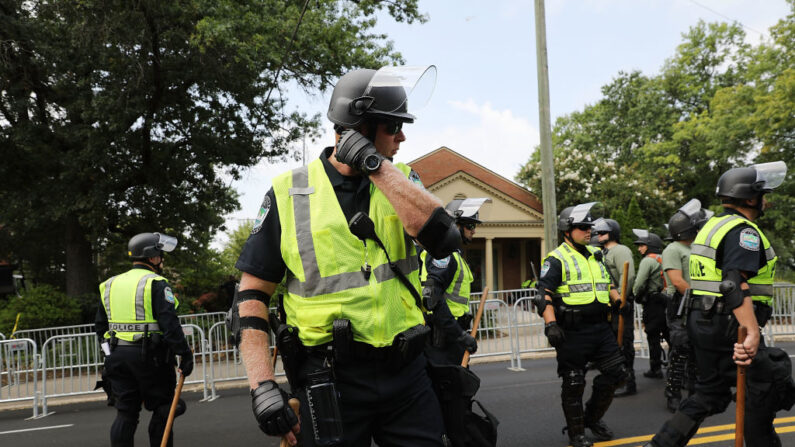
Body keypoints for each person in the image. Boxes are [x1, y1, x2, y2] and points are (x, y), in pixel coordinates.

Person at [232, 66, 462, 447]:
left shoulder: (402, 178)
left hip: (406, 373)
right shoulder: (287, 192)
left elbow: (444, 239)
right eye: (393, 127)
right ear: (359, 127)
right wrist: (261, 384)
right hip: (329, 380)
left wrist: (375, 165)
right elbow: (250, 296)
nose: (402, 136)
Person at [645, 161, 791, 447]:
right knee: (767, 383)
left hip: (704, 320)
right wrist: (751, 330)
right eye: (763, 194)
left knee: (708, 393)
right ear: (750, 198)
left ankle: (659, 444)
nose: (766, 200)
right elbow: (733, 282)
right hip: (731, 324)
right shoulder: (742, 231)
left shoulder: (713, 225)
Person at [534, 202, 628, 447]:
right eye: (582, 227)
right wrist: (550, 325)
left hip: (600, 328)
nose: (589, 231)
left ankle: (591, 419)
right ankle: (577, 435)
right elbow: (542, 294)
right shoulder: (556, 259)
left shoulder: (597, 255)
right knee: (574, 383)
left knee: (618, 374)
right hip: (572, 332)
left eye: (590, 227)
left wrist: (618, 301)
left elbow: (608, 284)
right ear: (567, 230)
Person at [95, 232, 194, 447]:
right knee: (164, 409)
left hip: (117, 357)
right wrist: (184, 354)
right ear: (152, 257)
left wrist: (109, 354)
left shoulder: (109, 284)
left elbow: (100, 327)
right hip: (151, 358)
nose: (161, 259)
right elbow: (169, 324)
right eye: (160, 255)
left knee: (126, 414)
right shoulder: (157, 283)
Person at [420, 198, 488, 365]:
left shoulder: (453, 254)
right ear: (455, 225)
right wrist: (459, 335)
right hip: (443, 341)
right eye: (470, 226)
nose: (474, 231)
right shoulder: (445, 255)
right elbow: (433, 299)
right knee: (450, 388)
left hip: (449, 338)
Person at [660, 199, 710, 413]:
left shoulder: (696, 248)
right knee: (680, 351)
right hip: (682, 304)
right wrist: (700, 299)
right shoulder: (673, 248)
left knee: (696, 351)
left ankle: (695, 393)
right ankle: (673, 394)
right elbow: (678, 282)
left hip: (697, 303)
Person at [594, 218, 637, 397]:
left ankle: (628, 381)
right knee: (610, 343)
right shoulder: (600, 252)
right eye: (598, 233)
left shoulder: (621, 250)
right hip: (607, 305)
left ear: (612, 234)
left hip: (621, 303)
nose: (598, 236)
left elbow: (629, 275)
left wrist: (620, 298)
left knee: (624, 342)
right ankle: (616, 377)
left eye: (602, 233)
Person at [630, 229, 667, 380]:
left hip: (653, 303)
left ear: (650, 245)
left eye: (642, 245)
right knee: (671, 335)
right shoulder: (664, 258)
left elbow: (638, 284)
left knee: (653, 336)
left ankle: (655, 368)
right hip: (668, 300)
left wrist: (636, 294)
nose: (639, 248)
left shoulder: (647, 261)